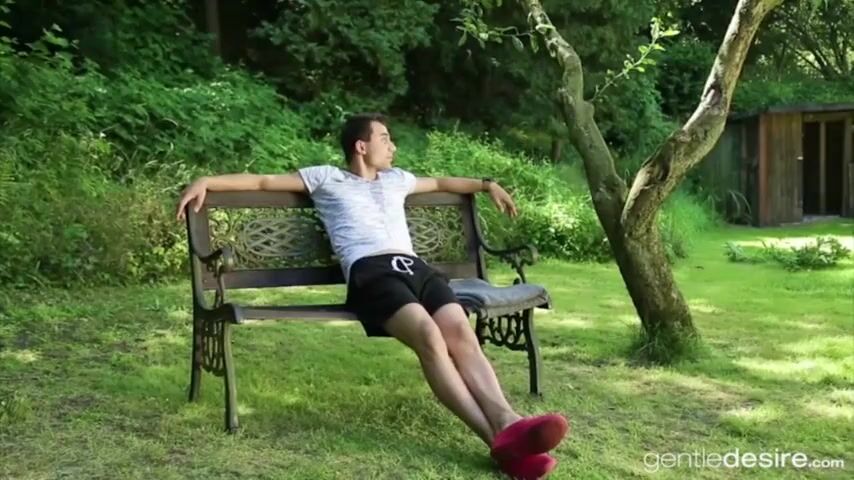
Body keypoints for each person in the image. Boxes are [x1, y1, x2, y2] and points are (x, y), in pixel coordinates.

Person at [176, 113, 568, 479]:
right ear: (361, 146)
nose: (392, 146)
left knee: (461, 334)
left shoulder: (397, 179)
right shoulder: (327, 178)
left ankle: (509, 423)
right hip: (371, 273)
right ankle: (499, 438)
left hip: (416, 269)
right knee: (430, 338)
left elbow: (441, 183)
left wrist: (487, 184)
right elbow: (263, 182)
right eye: (385, 138)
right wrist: (206, 180)